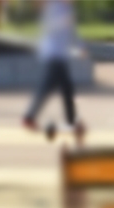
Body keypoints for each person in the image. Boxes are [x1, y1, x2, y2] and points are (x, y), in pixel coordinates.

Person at [22, 0, 85, 145]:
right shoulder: (53, 6)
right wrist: (62, 22)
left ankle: (31, 117)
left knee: (61, 88)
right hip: (51, 53)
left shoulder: (67, 9)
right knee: (59, 88)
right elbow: (48, 27)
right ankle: (31, 117)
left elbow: (71, 32)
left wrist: (80, 47)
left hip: (60, 55)